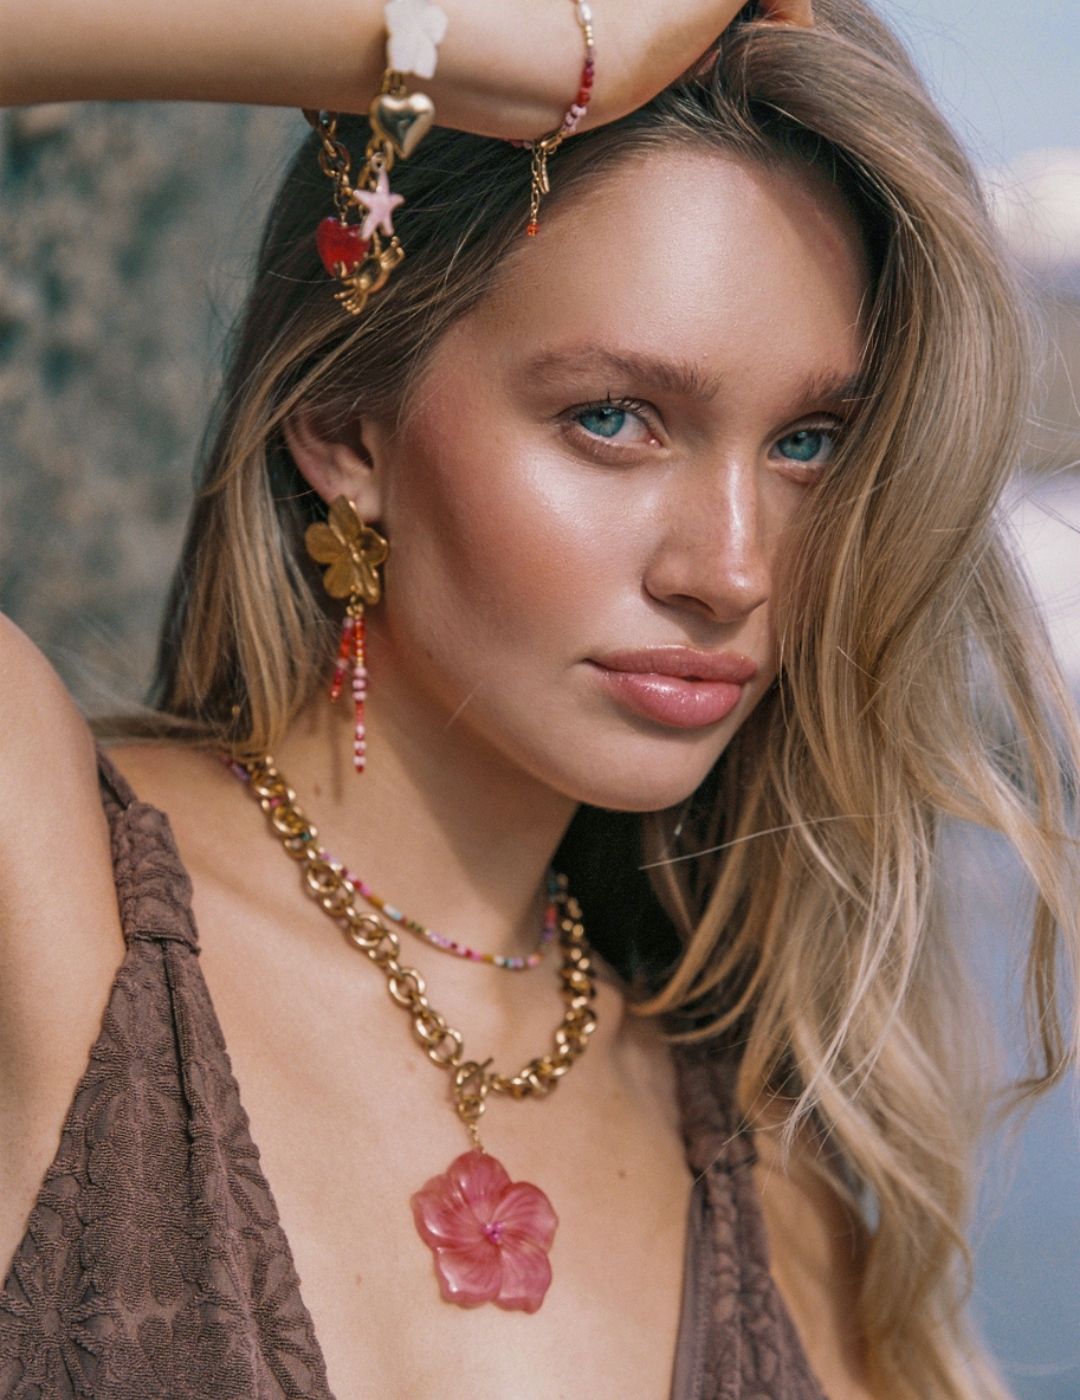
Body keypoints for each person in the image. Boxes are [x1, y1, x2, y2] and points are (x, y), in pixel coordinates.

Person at [0, 0, 1077, 1396]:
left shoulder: (785, 1212)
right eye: (615, 419)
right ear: (346, 425)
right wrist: (451, 42)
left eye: (809, 443)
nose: (734, 570)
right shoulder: (47, 899)